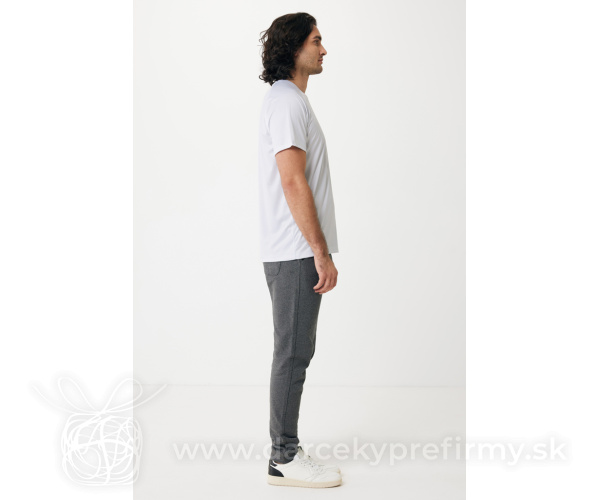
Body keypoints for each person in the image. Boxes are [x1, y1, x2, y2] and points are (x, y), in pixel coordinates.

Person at [257, 13, 342, 488]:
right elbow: (292, 181)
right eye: (316, 40)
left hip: (294, 248)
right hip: (295, 250)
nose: (324, 49)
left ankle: (285, 450)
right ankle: (284, 457)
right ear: (294, 48)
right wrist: (320, 252)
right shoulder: (287, 101)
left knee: (295, 351)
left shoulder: (289, 100)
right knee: (292, 353)